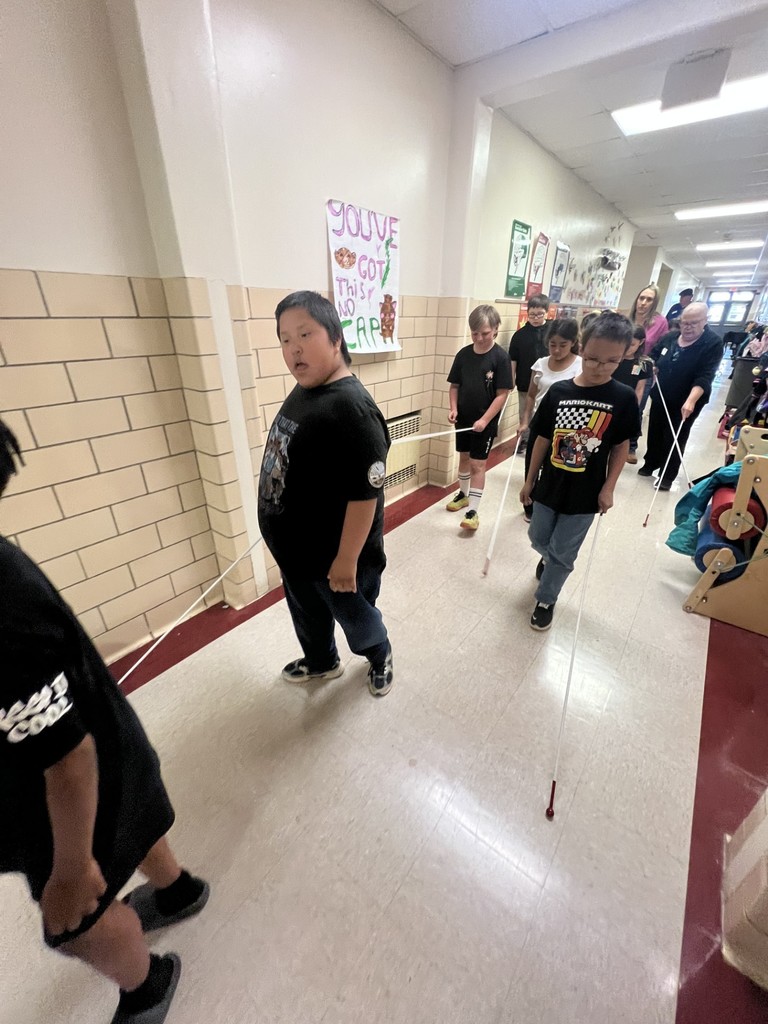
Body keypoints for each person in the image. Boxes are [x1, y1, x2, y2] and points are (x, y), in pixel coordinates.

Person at [0, 420, 209, 1024]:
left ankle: (146, 985)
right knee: (136, 818)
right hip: (107, 746)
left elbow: (67, 760)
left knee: (77, 926)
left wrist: (71, 869)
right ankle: (178, 890)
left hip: (68, 791)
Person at [257, 290, 393, 697]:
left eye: (305, 334)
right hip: (299, 554)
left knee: (357, 619)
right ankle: (322, 661)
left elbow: (364, 495)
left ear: (336, 338)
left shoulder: (352, 409)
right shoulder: (309, 389)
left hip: (337, 560)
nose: (294, 349)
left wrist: (347, 560)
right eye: (284, 339)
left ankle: (380, 654)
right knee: (307, 614)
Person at [519, 312, 640, 631]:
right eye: (593, 358)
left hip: (586, 494)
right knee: (537, 536)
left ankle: (546, 598)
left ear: (624, 355)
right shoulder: (559, 392)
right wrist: (529, 481)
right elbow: (542, 438)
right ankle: (549, 559)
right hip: (550, 485)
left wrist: (609, 487)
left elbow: (621, 446)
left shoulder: (624, 398)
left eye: (611, 361)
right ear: (582, 348)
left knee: (563, 554)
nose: (600, 367)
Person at [639, 302, 724, 490]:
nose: (687, 327)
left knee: (675, 435)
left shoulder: (712, 343)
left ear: (705, 321)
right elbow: (653, 355)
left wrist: (691, 401)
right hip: (661, 393)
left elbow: (705, 375)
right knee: (655, 429)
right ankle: (650, 463)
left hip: (688, 398)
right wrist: (653, 365)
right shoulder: (670, 338)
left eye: (693, 323)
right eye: (684, 322)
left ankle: (667, 476)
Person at [446, 304, 512, 530]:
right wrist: (453, 408)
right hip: (464, 419)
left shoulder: (500, 358)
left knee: (477, 464)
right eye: (475, 333)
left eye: (484, 333)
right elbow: (454, 386)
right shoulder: (463, 354)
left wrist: (485, 420)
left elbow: (503, 394)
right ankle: (463, 495)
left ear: (495, 329)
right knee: (464, 458)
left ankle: (473, 510)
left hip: (485, 422)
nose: (479, 338)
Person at [518, 318, 581, 521]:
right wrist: (524, 421)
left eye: (563, 345)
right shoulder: (540, 364)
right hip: (540, 425)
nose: (556, 350)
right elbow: (530, 395)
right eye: (552, 344)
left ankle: (550, 507)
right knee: (532, 467)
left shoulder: (580, 366)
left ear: (573, 342)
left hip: (566, 429)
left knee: (555, 470)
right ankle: (530, 505)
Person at [507, 293, 550, 453]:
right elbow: (513, 360)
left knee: (544, 414)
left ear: (547, 312)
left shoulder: (553, 331)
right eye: (532, 314)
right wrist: (511, 380)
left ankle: (541, 443)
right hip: (525, 382)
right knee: (525, 412)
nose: (536, 318)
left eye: (540, 314)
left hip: (548, 383)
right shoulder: (520, 335)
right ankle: (524, 441)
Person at [611, 325, 654, 464]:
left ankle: (631, 447)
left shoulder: (642, 363)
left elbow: (640, 387)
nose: (628, 347)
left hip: (630, 396)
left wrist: (635, 405)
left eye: (633, 344)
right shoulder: (615, 357)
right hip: (613, 395)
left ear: (641, 342)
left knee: (633, 420)